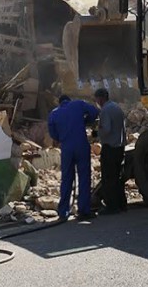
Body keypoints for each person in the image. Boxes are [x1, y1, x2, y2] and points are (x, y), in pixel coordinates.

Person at [47, 93, 100, 221]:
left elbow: (53, 134)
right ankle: (83, 210)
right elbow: (94, 111)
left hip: (66, 148)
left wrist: (62, 137)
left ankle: (63, 212)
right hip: (81, 145)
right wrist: (86, 121)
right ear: (68, 100)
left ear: (60, 103)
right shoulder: (78, 104)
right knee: (84, 177)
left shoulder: (54, 114)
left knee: (66, 179)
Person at [94, 88, 127, 214]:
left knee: (108, 177)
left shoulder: (105, 111)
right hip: (119, 146)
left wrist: (97, 132)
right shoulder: (116, 107)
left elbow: (106, 129)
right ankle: (122, 204)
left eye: (96, 99)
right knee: (118, 176)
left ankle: (112, 206)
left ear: (100, 98)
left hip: (110, 147)